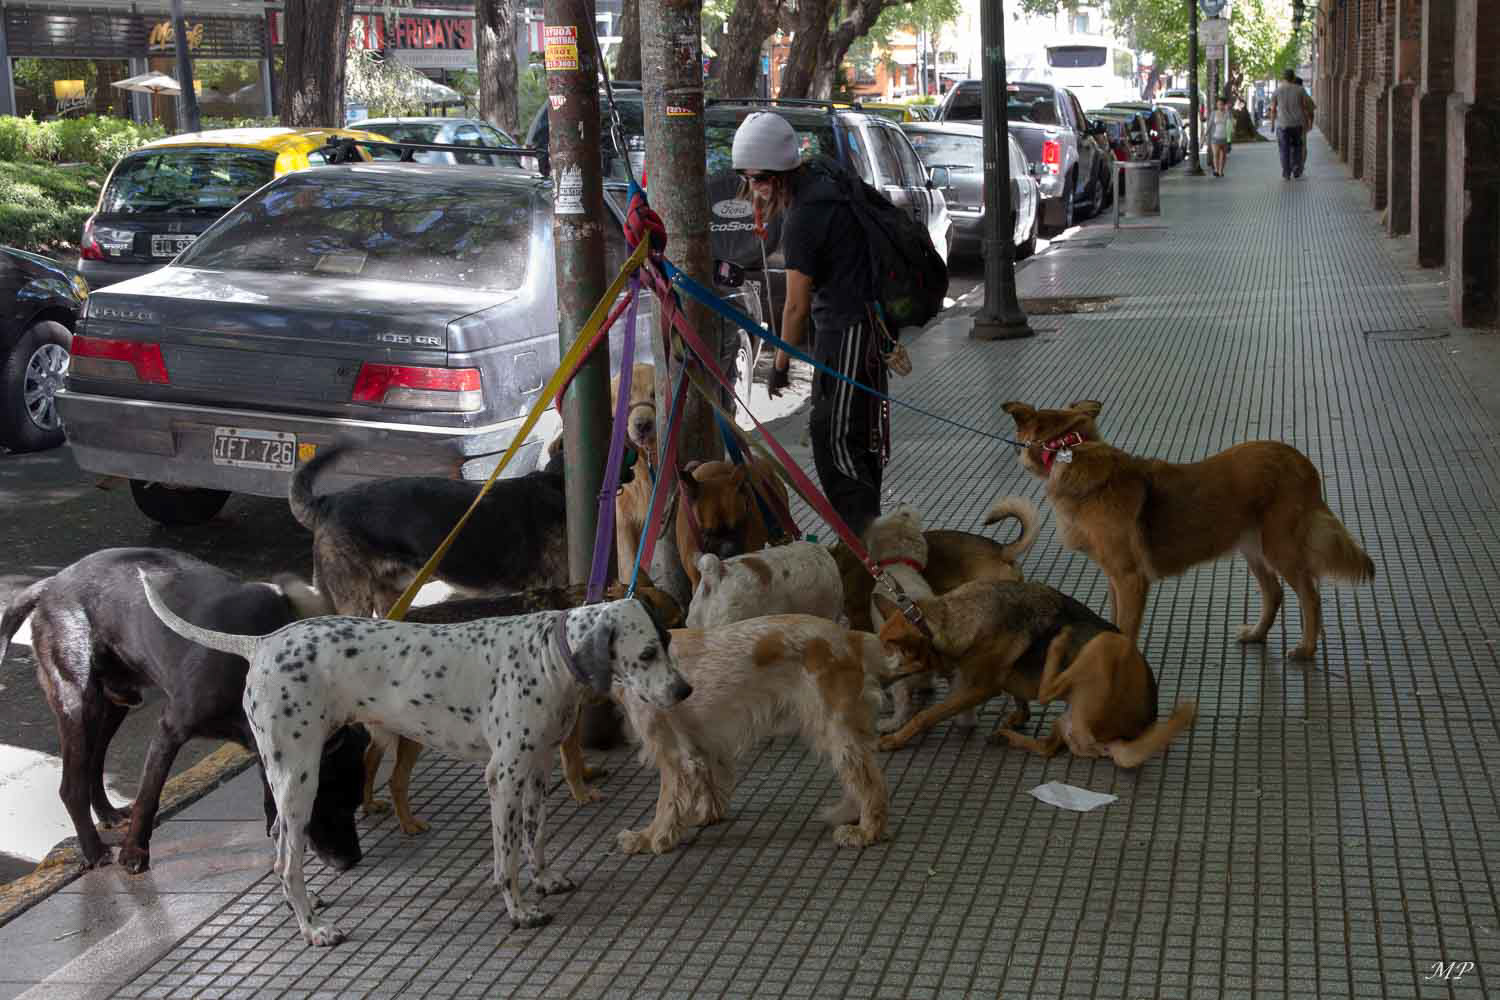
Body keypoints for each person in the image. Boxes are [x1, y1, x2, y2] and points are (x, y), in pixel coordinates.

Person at [732, 111, 886, 538]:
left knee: (835, 438)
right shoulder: (820, 179)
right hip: (858, 327)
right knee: (851, 436)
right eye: (747, 178)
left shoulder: (805, 216)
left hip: (848, 329)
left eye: (761, 179)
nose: (755, 188)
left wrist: (780, 366)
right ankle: (867, 539)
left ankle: (866, 543)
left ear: (780, 173)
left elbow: (795, 307)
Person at [1268, 68, 1308, 179]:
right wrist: (1306, 122)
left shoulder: (1277, 91)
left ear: (1283, 78)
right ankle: (1296, 168)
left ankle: (1286, 172)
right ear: (1293, 77)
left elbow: (1273, 110)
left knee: (1284, 149)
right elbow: (1304, 107)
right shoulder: (1300, 90)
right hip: (1297, 124)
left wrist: (1272, 124)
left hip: (1283, 125)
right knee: (1297, 148)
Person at [1294, 76, 1316, 175]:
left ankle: (1292, 164)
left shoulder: (1286, 92)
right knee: (1302, 146)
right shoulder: (1304, 93)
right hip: (1301, 124)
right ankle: (1300, 166)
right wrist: (1311, 123)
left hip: (1287, 125)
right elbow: (1311, 110)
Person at [1208, 97, 1233, 176]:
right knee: (1215, 154)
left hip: (1225, 138)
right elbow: (1209, 125)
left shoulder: (1227, 114)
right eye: (1218, 104)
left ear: (1224, 105)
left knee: (1223, 156)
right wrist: (1204, 136)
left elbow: (1231, 123)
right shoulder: (1213, 113)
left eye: (1221, 104)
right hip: (1215, 137)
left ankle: (1221, 171)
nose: (1220, 106)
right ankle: (1216, 170)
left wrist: (1227, 111)